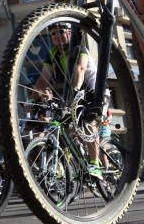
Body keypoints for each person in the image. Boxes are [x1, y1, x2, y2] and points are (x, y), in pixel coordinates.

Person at [35, 23, 104, 177]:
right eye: (53, 34)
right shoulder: (52, 54)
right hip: (68, 95)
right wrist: (35, 96)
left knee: (87, 122)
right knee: (62, 127)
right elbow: (43, 78)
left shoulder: (80, 49)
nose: (57, 36)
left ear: (70, 33)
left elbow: (80, 69)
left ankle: (95, 165)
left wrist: (74, 92)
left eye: (61, 31)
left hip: (92, 92)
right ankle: (71, 165)